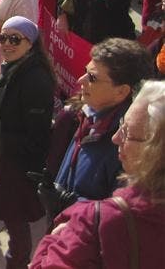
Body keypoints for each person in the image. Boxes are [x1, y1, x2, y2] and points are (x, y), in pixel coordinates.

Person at [31, 80, 165, 269]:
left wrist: (51, 241)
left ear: (157, 150)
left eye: (128, 133)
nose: (116, 138)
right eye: (121, 124)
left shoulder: (99, 221)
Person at [0, 16, 55, 269]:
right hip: (1, 162)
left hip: (13, 168)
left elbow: (37, 137)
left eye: (14, 39)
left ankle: (2, 264)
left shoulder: (35, 80)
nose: (6, 43)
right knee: (10, 221)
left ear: (31, 43)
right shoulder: (13, 68)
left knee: (9, 221)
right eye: (3, 37)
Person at [48, 39, 154, 208]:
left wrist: (69, 203)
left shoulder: (128, 146)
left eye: (92, 77)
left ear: (121, 91)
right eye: (85, 71)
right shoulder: (86, 113)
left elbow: (118, 215)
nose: (80, 80)